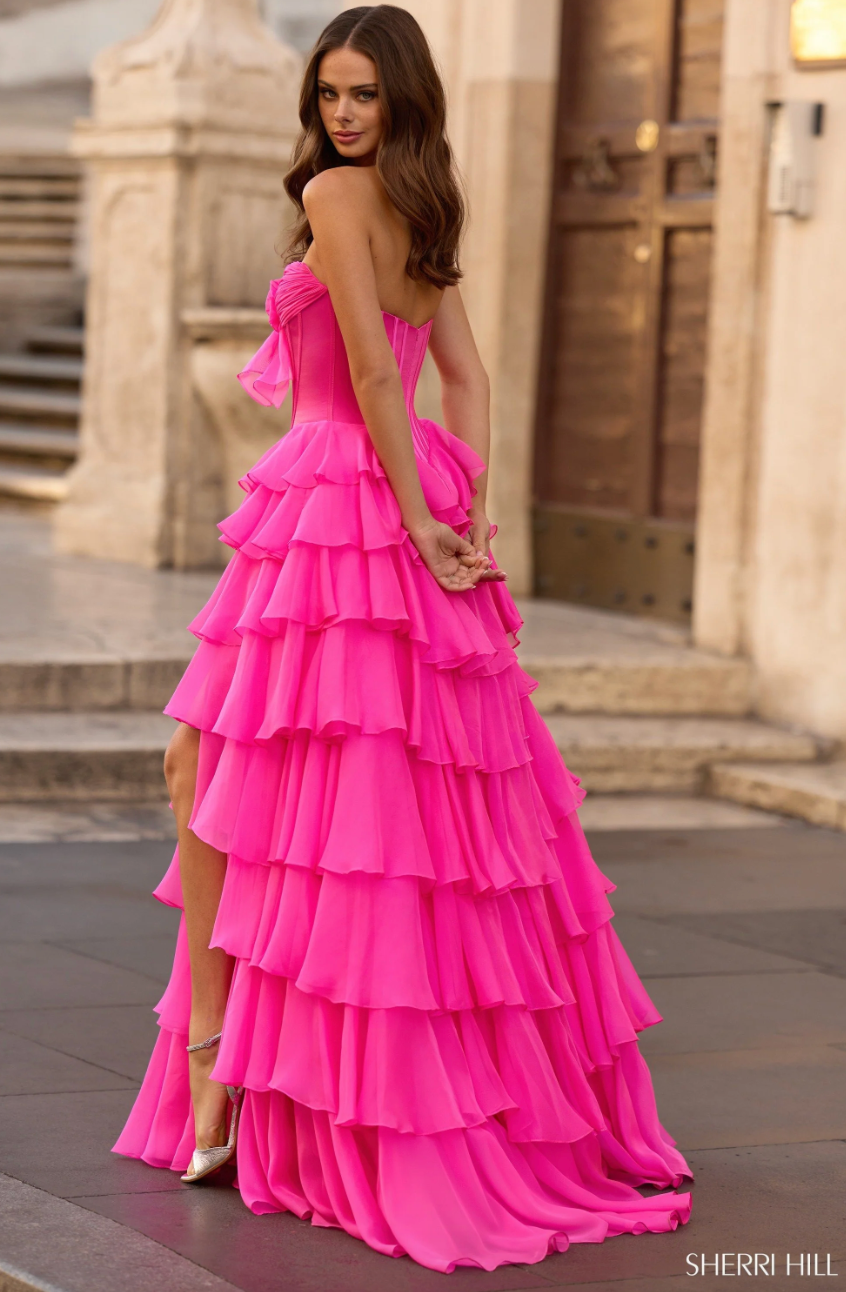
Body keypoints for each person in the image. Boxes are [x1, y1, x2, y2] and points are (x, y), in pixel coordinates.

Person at [114, 5, 692, 1273]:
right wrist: (467, 510)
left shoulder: (336, 195)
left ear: (403, 97)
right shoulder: (426, 203)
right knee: (371, 812)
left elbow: (383, 379)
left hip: (338, 500)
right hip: (397, 501)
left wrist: (436, 530)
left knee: (243, 785)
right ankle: (263, 1078)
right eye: (329, 92)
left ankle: (224, 1076)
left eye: (365, 92)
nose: (341, 113)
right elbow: (468, 381)